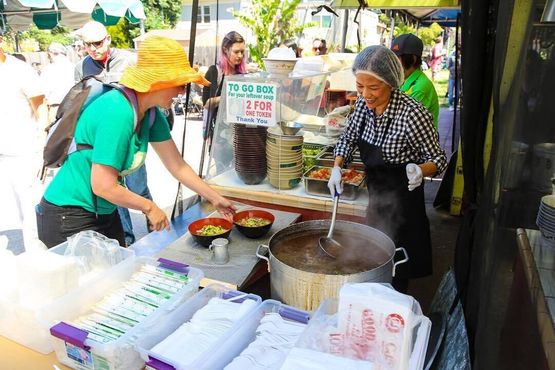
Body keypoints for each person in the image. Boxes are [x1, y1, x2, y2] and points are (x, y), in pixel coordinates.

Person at [36, 36, 236, 248]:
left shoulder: (151, 114)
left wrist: (215, 198)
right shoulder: (117, 111)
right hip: (68, 215)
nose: (182, 92)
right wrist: (149, 207)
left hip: (104, 212)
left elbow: (177, 166)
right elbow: (103, 185)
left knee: (117, 274)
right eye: (181, 85)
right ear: (158, 81)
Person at [327, 45, 447, 292]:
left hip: (405, 204)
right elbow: (348, 138)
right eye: (360, 86)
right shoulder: (362, 105)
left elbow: (439, 159)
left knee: (397, 271)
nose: (365, 95)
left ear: (392, 83)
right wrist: (337, 167)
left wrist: (420, 170)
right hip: (377, 199)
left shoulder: (413, 114)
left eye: (373, 87)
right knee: (373, 260)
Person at [75, 20, 151, 246]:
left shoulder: (128, 60)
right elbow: (80, 102)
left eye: (97, 43)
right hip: (102, 139)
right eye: (88, 44)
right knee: (114, 192)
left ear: (108, 39)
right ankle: (126, 240)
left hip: (129, 137)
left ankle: (155, 223)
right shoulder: (81, 67)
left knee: (138, 188)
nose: (93, 48)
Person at [0, 29, 46, 252]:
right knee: (13, 206)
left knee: (28, 204)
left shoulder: (18, 70)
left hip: (21, 148)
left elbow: (40, 106)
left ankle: (37, 252)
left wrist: (41, 144)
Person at [202, 31, 247, 141]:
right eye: (236, 52)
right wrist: (230, 96)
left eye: (242, 52)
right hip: (219, 136)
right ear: (225, 50)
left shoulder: (243, 75)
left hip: (239, 133)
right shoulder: (214, 72)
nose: (240, 55)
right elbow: (207, 103)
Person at [391, 34, 440, 129]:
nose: (393, 63)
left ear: (412, 59)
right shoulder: (402, 79)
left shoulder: (420, 87)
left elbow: (400, 123)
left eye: (397, 59)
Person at [40, 42, 75, 123]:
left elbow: (44, 95)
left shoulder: (47, 70)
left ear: (51, 53)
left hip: (55, 109)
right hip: (74, 108)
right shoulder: (75, 67)